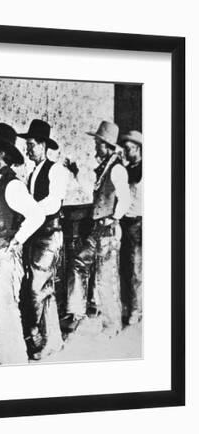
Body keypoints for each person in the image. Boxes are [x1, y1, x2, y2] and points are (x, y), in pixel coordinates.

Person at [0, 123, 45, 365]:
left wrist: (17, 241)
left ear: (2, 153)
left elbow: (37, 215)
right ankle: (8, 364)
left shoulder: (12, 185)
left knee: (7, 317)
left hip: (4, 260)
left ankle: (16, 368)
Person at [64, 121, 130, 338]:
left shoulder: (117, 168)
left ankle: (112, 325)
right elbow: (94, 194)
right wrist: (75, 174)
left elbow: (125, 199)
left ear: (106, 145)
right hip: (97, 230)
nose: (95, 148)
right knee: (79, 263)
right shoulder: (105, 168)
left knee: (106, 278)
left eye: (98, 143)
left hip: (108, 231)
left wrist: (113, 218)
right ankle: (77, 313)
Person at [19, 119, 68, 359]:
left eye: (30, 145)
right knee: (44, 288)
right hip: (36, 236)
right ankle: (53, 340)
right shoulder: (32, 172)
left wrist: (32, 209)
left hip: (49, 235)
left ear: (42, 145)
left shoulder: (56, 169)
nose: (27, 150)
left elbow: (54, 201)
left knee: (36, 288)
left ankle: (36, 336)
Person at [121, 130, 143, 325]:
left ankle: (139, 308)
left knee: (139, 268)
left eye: (128, 149)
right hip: (129, 222)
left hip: (142, 221)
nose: (126, 153)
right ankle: (132, 307)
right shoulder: (126, 169)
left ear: (137, 148)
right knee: (130, 268)